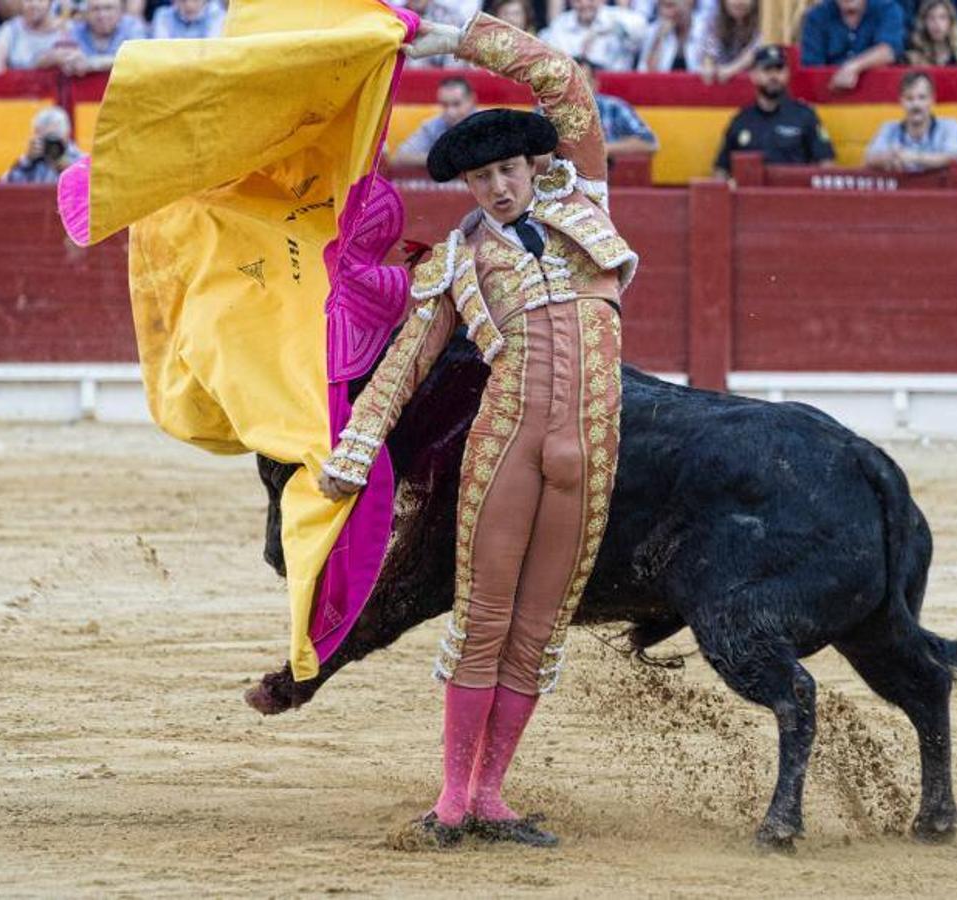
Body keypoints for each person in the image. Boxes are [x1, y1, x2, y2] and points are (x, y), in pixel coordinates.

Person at [319, 13, 633, 849]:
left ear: (533, 166)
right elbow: (407, 361)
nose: (498, 187)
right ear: (466, 186)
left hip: (590, 452)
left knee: (539, 628)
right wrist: (354, 453)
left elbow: (563, 82)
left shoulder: (583, 201)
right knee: (484, 619)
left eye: (508, 170)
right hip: (509, 445)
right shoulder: (457, 259)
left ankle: (493, 795)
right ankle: (452, 799)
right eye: (482, 178)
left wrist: (464, 35)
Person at [714, 44, 835, 176]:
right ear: (754, 75)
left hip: (793, 194)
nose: (774, 76)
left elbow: (826, 165)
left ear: (787, 74)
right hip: (752, 194)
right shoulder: (741, 120)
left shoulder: (805, 116)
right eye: (767, 69)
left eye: (779, 69)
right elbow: (721, 171)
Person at [864, 71, 957, 172]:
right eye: (909, 98)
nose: (916, 104)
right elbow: (869, 159)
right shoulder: (889, 128)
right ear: (901, 101)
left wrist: (914, 157)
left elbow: (955, 158)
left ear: (932, 100)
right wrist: (890, 157)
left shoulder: (951, 126)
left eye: (922, 98)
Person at [799, 0, 904, 91]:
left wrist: (853, 67)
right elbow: (812, 67)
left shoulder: (887, 9)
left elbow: (889, 51)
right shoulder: (816, 16)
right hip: (829, 94)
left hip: (880, 93)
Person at [576, 57, 659, 156]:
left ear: (594, 85)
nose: (576, 90)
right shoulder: (554, 110)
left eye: (583, 83)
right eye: (570, 84)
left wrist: (601, 150)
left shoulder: (613, 108)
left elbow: (650, 143)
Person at [388, 76, 477, 167]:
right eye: (445, 105)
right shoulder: (433, 126)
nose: (450, 112)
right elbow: (399, 158)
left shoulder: (488, 123)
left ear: (471, 100)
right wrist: (444, 159)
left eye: (456, 104)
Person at [540, 0, 648, 70]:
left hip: (616, 91)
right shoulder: (560, 24)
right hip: (575, 92)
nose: (585, 4)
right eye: (578, 1)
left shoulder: (618, 16)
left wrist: (605, 31)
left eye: (591, 0)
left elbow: (642, 31)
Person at [55, 0, 146, 76]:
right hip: (86, 93)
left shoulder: (132, 25)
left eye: (108, 8)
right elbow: (66, 62)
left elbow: (137, 58)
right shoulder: (75, 30)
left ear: (120, 11)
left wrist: (93, 64)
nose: (102, 15)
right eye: (95, 9)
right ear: (85, 13)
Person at [1, 105, 83, 183]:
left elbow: (91, 192)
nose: (52, 146)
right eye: (47, 139)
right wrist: (27, 160)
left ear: (66, 135)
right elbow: (6, 185)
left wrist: (71, 172)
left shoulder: (80, 160)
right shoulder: (34, 161)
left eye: (55, 138)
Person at [0, 0, 61, 74]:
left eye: (40, 0)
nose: (34, 4)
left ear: (50, 2)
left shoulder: (67, 30)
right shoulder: (11, 28)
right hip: (20, 85)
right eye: (28, 0)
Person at [700, 0, 761, 83]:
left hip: (753, 84)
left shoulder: (764, 20)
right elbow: (709, 51)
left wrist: (732, 69)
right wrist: (708, 64)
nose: (738, 2)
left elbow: (756, 50)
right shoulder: (715, 19)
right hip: (723, 85)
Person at [638, 0, 707, 71]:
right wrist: (659, 39)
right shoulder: (653, 30)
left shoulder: (704, 30)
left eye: (670, 6)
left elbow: (708, 67)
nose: (664, 12)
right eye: (660, 6)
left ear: (688, 4)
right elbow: (646, 72)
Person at [906, 0, 957, 65]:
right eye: (931, 18)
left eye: (942, 17)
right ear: (924, 22)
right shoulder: (914, 50)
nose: (937, 23)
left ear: (951, 22)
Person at [150, 0, 224, 39]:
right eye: (183, 0)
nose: (189, 5)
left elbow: (213, 51)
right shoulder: (163, 16)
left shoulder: (218, 15)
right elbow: (162, 51)